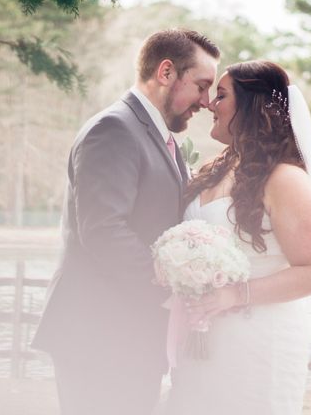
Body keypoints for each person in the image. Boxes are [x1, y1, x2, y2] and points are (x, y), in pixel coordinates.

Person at [31, 29, 220, 415]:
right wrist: (171, 284)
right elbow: (103, 231)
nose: (205, 101)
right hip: (99, 335)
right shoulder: (114, 129)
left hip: (127, 335)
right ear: (166, 72)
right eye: (201, 86)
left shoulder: (151, 133)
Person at [163, 60, 311, 415]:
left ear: (252, 106)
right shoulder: (214, 171)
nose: (210, 104)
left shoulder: (286, 179)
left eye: (222, 95)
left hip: (258, 341)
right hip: (202, 340)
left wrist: (234, 295)